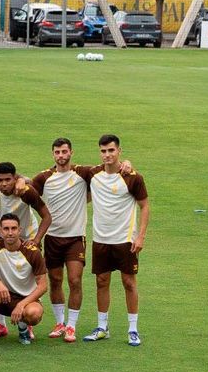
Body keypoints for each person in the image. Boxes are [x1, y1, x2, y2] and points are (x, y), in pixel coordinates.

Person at [83, 134, 149, 346]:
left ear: (119, 151)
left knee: (128, 282)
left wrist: (140, 236)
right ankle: (102, 327)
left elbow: (144, 206)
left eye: (111, 150)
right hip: (101, 238)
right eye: (103, 151)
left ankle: (133, 329)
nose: (107, 155)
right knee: (101, 281)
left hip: (125, 239)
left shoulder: (133, 177)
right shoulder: (93, 174)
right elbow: (64, 167)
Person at [30, 138, 95, 342]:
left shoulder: (82, 173)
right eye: (57, 152)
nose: (61, 155)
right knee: (55, 280)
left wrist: (126, 163)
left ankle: (71, 326)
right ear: (53, 154)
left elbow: (107, 171)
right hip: (52, 238)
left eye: (64, 151)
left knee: (75, 280)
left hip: (75, 238)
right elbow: (27, 191)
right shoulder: (44, 177)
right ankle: (60, 323)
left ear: (71, 153)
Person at [0, 214, 49, 348]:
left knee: (34, 314)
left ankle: (23, 329)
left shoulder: (32, 252)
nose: (10, 233)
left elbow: (43, 286)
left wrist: (21, 305)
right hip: (2, 297)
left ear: (20, 230)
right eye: (6, 229)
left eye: (13, 228)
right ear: (0, 230)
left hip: (26, 300)